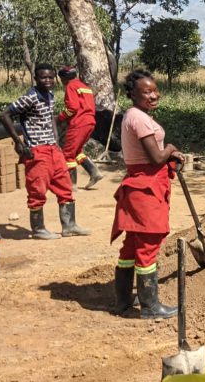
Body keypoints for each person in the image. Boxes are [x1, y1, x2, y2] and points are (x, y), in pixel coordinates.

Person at [110, 69, 183, 319]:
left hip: (139, 185)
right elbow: (154, 158)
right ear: (133, 94)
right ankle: (150, 306)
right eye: (147, 92)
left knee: (131, 246)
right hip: (145, 187)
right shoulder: (138, 118)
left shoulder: (136, 115)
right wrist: (171, 148)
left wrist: (168, 155)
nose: (153, 95)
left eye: (154, 90)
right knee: (147, 246)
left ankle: (122, 301)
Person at [0, 63, 90, 241]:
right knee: (37, 190)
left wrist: (56, 142)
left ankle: (69, 226)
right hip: (37, 150)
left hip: (53, 150)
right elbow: (4, 115)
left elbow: (50, 119)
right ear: (36, 78)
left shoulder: (50, 95)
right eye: (43, 77)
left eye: (50, 77)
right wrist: (18, 143)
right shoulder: (30, 97)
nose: (47, 80)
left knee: (65, 187)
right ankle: (39, 229)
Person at [57, 66, 103, 189]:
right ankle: (94, 172)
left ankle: (71, 185)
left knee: (67, 153)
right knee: (77, 151)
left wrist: (60, 117)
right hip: (90, 121)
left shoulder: (71, 86)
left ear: (64, 78)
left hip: (79, 123)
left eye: (61, 79)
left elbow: (72, 107)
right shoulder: (85, 87)